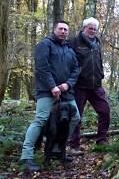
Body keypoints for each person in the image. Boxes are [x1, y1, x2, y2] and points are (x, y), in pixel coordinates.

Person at [20, 20, 80, 171]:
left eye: (66, 29)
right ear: (54, 30)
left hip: (66, 93)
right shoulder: (44, 45)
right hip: (47, 91)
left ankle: (57, 150)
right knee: (40, 120)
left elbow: (76, 70)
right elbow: (42, 67)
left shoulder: (69, 50)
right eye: (60, 29)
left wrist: (68, 84)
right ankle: (26, 156)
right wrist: (52, 86)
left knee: (76, 117)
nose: (63, 31)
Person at [69, 17, 111, 154]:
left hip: (96, 85)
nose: (92, 31)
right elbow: (68, 62)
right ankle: (73, 145)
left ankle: (101, 140)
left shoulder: (97, 42)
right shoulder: (74, 42)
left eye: (94, 29)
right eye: (90, 28)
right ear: (84, 28)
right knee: (76, 116)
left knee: (105, 111)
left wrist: (101, 75)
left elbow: (98, 60)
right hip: (79, 85)